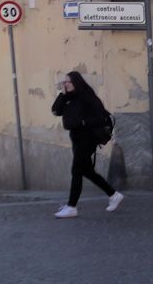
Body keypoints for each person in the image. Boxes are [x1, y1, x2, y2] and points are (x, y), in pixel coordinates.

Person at [50, 71, 123, 218]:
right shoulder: (69, 98)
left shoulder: (88, 97)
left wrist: (83, 122)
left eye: (68, 82)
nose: (66, 84)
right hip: (76, 138)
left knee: (76, 170)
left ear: (76, 82)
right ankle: (113, 195)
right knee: (87, 171)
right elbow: (55, 110)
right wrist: (63, 94)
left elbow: (101, 117)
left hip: (88, 138)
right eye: (64, 82)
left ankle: (72, 207)